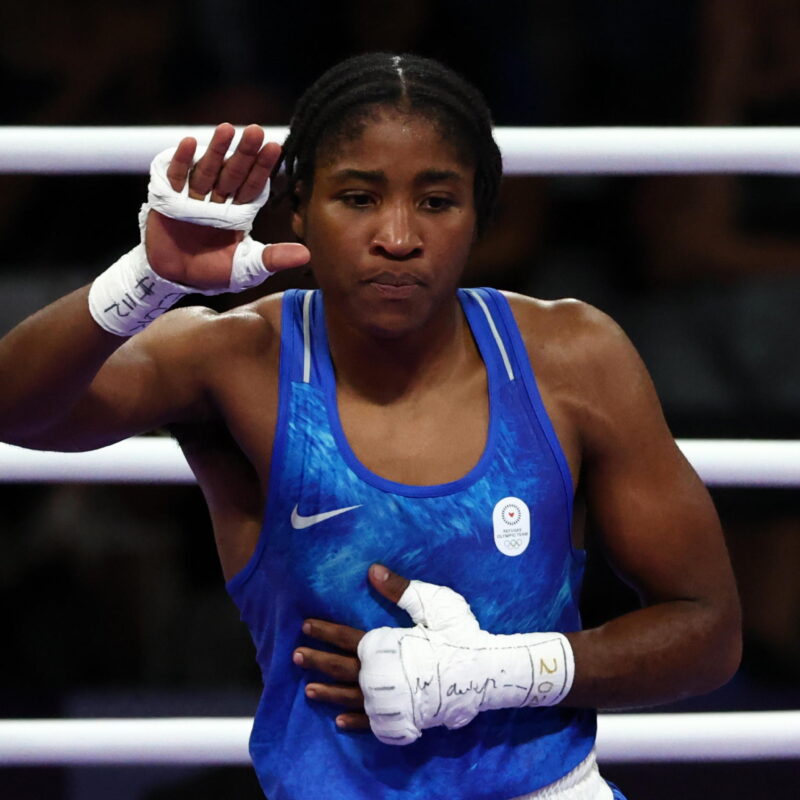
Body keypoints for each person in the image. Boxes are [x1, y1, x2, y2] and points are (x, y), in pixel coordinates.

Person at [0, 53, 740, 799]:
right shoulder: (233, 359)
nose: (397, 236)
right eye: (357, 198)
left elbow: (708, 631)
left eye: (436, 202)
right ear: (298, 211)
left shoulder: (573, 360)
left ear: (479, 213)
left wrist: (496, 673)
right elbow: (15, 411)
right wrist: (146, 281)